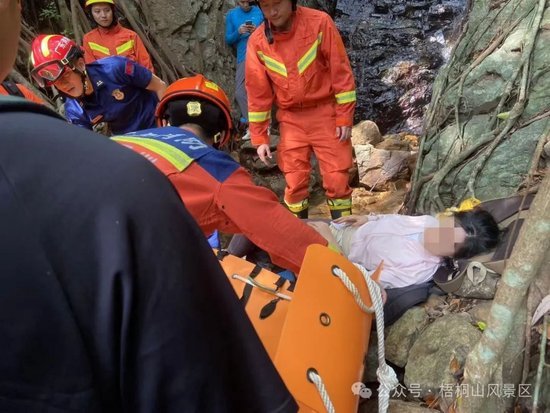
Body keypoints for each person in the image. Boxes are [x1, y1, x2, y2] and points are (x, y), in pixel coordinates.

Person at [0, 1, 297, 411]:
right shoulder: (76, 112)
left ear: (78, 62)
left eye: (63, 72)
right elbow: (276, 227)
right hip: (131, 170)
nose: (61, 83)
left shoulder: (117, 69)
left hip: (141, 148)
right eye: (51, 79)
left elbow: (157, 89)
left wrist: (162, 131)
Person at [111, 74, 330, 274]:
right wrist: (338, 267)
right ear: (220, 136)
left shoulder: (124, 140)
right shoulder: (215, 167)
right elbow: (279, 230)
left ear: (165, 121)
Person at [246, 0, 357, 219]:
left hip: (326, 112)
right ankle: (300, 238)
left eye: (277, 3)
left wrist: (344, 115)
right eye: (266, 7)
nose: (273, 11)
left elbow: (341, 72)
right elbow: (258, 94)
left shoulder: (319, 23)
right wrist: (260, 137)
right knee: (295, 182)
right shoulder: (258, 42)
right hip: (290, 119)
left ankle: (345, 234)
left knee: (337, 178)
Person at [308, 207, 500, 324]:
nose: (438, 235)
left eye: (450, 242)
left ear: (454, 255)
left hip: (338, 250)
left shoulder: (419, 269)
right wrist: (369, 218)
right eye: (446, 228)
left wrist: (330, 243)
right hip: (343, 228)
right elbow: (393, 219)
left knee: (285, 235)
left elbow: (360, 281)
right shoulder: (427, 222)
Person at [30, 34, 165, 134]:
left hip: (159, 124)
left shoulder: (116, 68)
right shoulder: (75, 110)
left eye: (66, 76)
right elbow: (87, 146)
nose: (64, 85)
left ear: (80, 65)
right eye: (56, 82)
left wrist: (169, 122)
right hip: (131, 144)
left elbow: (159, 86)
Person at [224, 0, 264, 140]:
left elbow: (269, 33)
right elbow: (228, 39)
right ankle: (253, 125)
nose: (245, 4)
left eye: (247, 1)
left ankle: (261, 127)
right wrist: (239, 32)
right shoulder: (232, 15)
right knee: (240, 91)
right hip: (244, 56)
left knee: (259, 90)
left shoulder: (259, 12)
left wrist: (257, 32)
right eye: (242, 1)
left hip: (260, 55)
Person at [82, 0, 154, 72]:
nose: (103, 15)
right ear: (91, 14)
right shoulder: (89, 39)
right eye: (97, 11)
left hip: (134, 81)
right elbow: (92, 72)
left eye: (107, 10)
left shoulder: (131, 36)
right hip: (106, 82)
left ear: (113, 11)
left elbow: (147, 68)